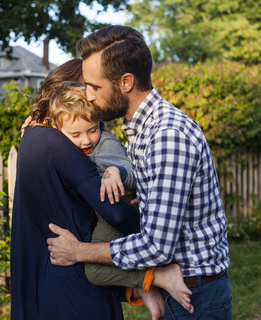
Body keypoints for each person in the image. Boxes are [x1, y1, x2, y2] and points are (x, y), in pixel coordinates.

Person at [47, 25, 232, 319]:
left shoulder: (167, 136)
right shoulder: (141, 130)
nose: (90, 96)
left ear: (126, 82)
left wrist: (78, 252)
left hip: (195, 297)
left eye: (95, 87)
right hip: (184, 292)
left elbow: (156, 247)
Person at [11, 59, 168, 320]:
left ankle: (147, 284)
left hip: (108, 215)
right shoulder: (57, 137)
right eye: (90, 88)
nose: (95, 95)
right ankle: (146, 284)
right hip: (72, 280)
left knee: (100, 262)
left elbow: (118, 201)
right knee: (99, 265)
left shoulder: (90, 138)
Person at [45, 81, 192, 310]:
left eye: (92, 130)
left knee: (94, 271)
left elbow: (131, 171)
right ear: (57, 129)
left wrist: (116, 172)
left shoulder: (106, 143)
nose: (86, 140)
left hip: (115, 206)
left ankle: (159, 277)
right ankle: (144, 288)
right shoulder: (62, 141)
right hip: (100, 209)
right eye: (76, 134)